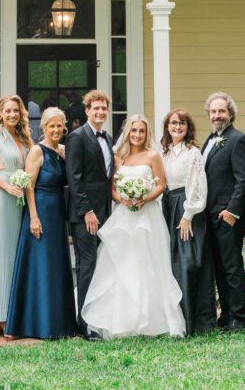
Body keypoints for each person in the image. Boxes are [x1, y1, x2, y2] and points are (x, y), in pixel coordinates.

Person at [81, 114, 185, 339]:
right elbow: (112, 188)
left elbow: (161, 184)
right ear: (127, 132)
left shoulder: (153, 155)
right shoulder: (119, 157)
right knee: (120, 263)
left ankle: (151, 321)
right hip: (123, 217)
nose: (137, 135)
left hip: (147, 217)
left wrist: (144, 198)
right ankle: (121, 320)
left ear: (147, 134)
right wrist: (123, 199)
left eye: (142, 131)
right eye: (134, 130)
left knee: (147, 262)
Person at [6, 107, 76, 339]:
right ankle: (36, 324)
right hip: (40, 210)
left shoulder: (64, 150)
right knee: (40, 265)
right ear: (44, 128)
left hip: (57, 211)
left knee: (56, 266)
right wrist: (33, 217)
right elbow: (29, 186)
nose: (56, 130)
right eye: (51, 126)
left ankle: (59, 323)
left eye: (59, 125)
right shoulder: (37, 151)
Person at [0, 94, 32, 334]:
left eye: (16, 111)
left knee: (13, 252)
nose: (12, 115)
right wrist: (5, 186)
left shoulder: (21, 135)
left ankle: (13, 311)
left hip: (18, 197)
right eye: (7, 111)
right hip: (1, 196)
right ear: (0, 112)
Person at [201, 91, 245, 332]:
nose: (217, 115)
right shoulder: (209, 140)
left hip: (227, 216)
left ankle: (239, 318)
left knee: (232, 267)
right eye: (213, 111)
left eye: (221, 111)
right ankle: (226, 314)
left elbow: (244, 179)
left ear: (230, 113)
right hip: (209, 216)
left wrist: (232, 211)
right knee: (219, 267)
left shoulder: (238, 139)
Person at [160, 109, 216, 335]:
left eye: (182, 123)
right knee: (171, 264)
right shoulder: (164, 153)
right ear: (167, 127)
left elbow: (197, 186)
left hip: (186, 209)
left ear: (188, 127)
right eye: (173, 123)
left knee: (188, 264)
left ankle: (194, 321)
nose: (177, 127)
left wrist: (187, 215)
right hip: (167, 207)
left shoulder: (193, 153)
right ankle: (172, 318)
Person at [65, 89, 114, 340]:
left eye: (104, 108)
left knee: (100, 266)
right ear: (87, 111)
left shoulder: (108, 138)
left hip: (105, 212)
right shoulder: (77, 137)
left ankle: (97, 317)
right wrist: (88, 212)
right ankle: (83, 324)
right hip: (85, 215)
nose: (100, 112)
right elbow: (75, 178)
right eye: (95, 108)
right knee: (87, 266)